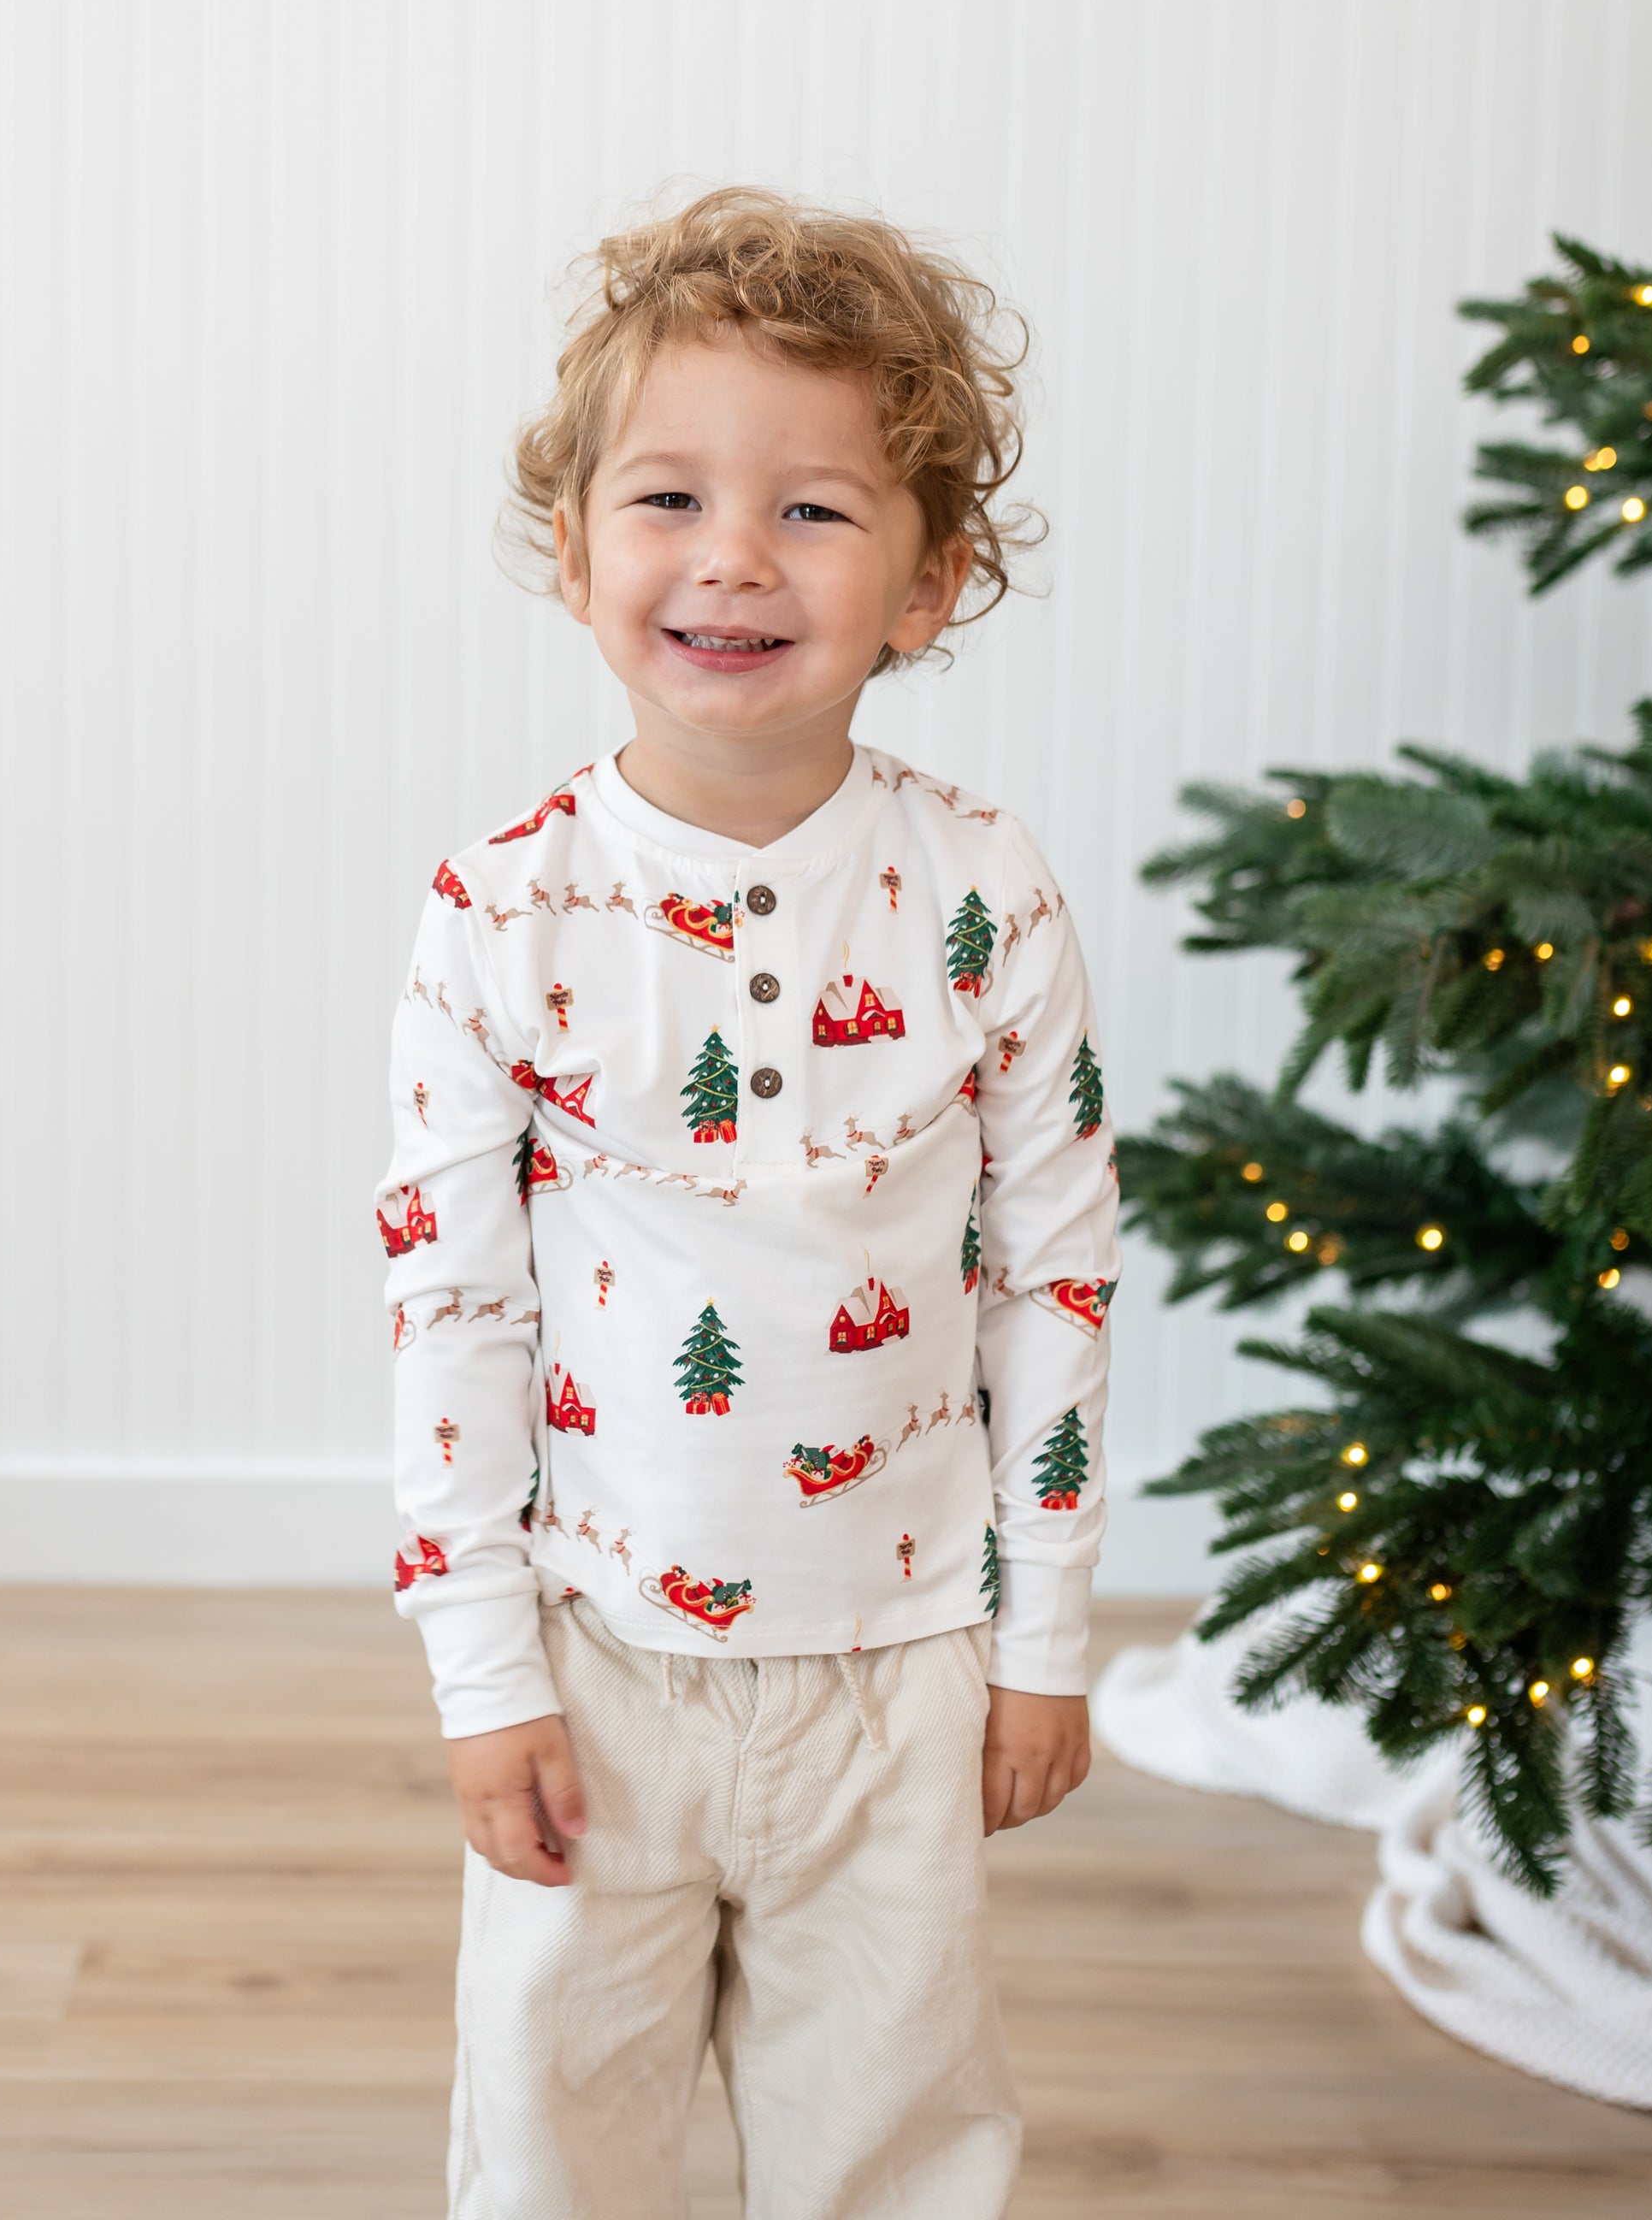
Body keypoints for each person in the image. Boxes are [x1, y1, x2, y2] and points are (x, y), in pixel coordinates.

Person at [379, 187, 1119, 2218]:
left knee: (889, 2138)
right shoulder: (498, 914)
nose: (729, 557)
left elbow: (1053, 1281)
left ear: (929, 577)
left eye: (813, 510)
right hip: (600, 1649)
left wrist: (1044, 1635)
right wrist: (487, 1675)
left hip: (907, 1662)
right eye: (669, 499)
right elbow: (452, 1311)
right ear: (574, 548)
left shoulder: (988, 894)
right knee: (557, 2139)